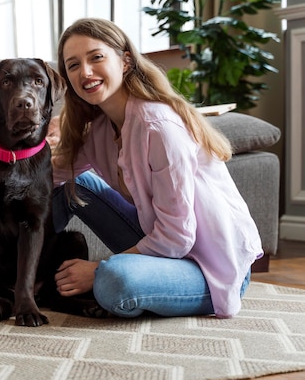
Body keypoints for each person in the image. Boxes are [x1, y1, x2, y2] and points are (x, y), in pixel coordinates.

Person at [51, 18, 263, 319]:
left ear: (125, 61)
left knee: (114, 282)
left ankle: (106, 277)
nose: (85, 72)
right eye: (73, 65)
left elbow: (177, 237)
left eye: (96, 57)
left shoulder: (159, 127)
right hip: (163, 248)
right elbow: (49, 174)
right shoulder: (100, 129)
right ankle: (23, 272)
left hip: (209, 267)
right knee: (74, 185)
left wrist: (96, 270)